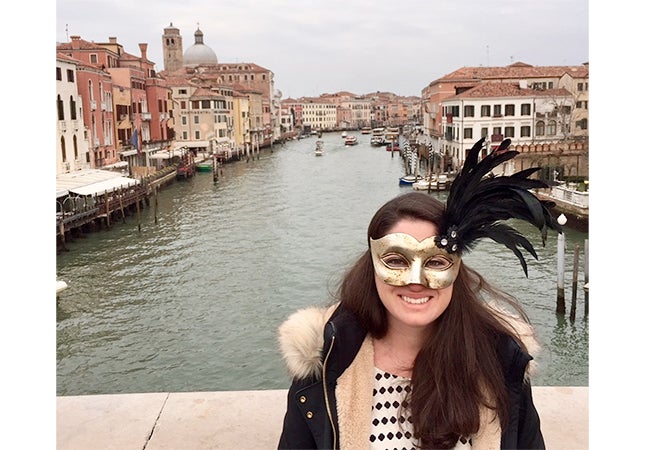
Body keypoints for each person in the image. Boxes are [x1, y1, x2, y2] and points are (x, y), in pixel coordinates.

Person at [277, 138, 560, 450]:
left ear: (456, 269)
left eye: (436, 262)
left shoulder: (501, 362)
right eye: (396, 260)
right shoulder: (323, 362)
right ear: (372, 265)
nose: (416, 281)